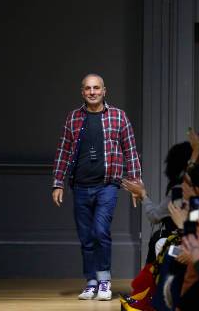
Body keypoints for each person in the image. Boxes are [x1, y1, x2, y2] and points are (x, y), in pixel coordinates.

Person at [51, 73, 141, 300]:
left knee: (100, 231)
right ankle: (91, 281)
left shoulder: (118, 117)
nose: (92, 92)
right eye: (88, 88)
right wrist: (58, 183)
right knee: (86, 237)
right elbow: (63, 151)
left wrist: (135, 183)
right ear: (82, 92)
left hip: (107, 185)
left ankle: (104, 281)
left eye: (96, 88)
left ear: (104, 91)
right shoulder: (73, 118)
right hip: (80, 186)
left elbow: (130, 151)